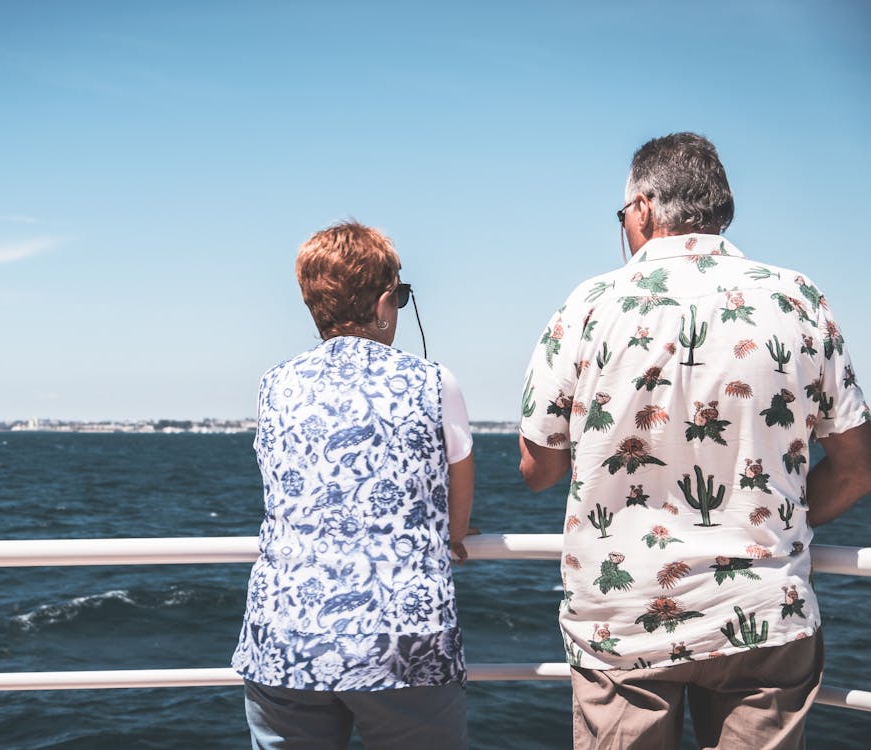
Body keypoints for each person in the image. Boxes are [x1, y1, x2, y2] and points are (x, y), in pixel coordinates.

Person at [518, 132, 871, 749]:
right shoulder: (798, 298)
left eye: (623, 213)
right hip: (763, 612)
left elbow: (539, 468)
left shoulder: (590, 304)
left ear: (647, 208)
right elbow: (857, 466)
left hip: (623, 624)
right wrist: (766, 520)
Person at [232, 220, 475, 749]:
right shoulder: (434, 382)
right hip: (403, 640)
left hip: (286, 635)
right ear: (386, 299)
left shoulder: (273, 385)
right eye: (402, 296)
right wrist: (454, 535)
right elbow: (458, 504)